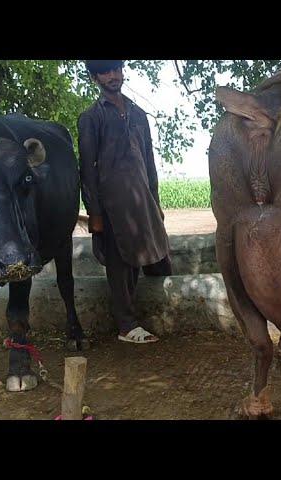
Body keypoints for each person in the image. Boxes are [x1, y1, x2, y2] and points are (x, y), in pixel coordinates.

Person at [78, 60, 172, 344]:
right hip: (112, 204)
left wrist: (155, 201)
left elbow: (150, 163)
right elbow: (88, 170)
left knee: (159, 254)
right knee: (120, 262)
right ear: (95, 77)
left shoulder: (138, 114)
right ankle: (127, 326)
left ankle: (163, 310)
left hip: (142, 199)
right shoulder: (91, 118)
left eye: (116, 69)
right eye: (106, 72)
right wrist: (94, 215)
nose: (113, 76)